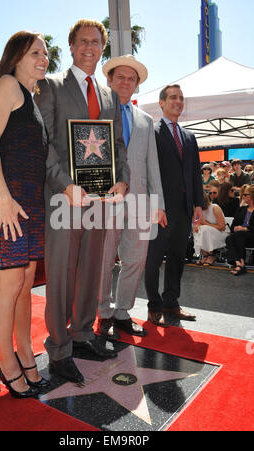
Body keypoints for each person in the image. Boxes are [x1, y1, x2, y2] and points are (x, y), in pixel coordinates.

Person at [35, 19, 130, 384]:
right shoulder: (52, 87)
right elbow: (42, 142)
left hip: (100, 200)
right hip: (64, 200)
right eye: (83, 42)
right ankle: (58, 349)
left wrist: (121, 179)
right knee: (60, 274)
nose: (90, 47)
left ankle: (82, 334)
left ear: (102, 48)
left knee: (92, 269)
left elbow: (118, 145)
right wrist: (64, 185)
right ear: (72, 47)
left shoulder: (109, 95)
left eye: (96, 42)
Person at [0, 31, 51, 398]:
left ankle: (25, 355)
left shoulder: (31, 97)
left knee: (25, 285)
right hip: (7, 203)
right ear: (17, 56)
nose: (44, 57)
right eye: (36, 52)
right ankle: (6, 365)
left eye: (45, 52)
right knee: (8, 287)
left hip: (29, 204)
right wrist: (4, 200)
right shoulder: (7, 86)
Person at [97, 55, 166, 338]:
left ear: (136, 85)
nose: (126, 82)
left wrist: (158, 204)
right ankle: (102, 312)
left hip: (140, 202)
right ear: (110, 80)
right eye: (120, 77)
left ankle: (123, 311)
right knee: (102, 260)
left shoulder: (146, 120)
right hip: (105, 199)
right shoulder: (96, 113)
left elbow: (153, 165)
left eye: (131, 78)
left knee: (136, 259)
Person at [144, 84, 204, 325]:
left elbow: (194, 173)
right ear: (161, 102)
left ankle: (171, 303)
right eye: (172, 97)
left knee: (178, 257)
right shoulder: (151, 132)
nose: (178, 101)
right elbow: (148, 171)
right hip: (159, 209)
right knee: (154, 258)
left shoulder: (189, 137)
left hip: (184, 209)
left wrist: (198, 203)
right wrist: (153, 204)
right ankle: (153, 304)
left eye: (181, 98)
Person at [225, 185, 254, 275]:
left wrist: (245, 228)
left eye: (245, 195)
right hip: (240, 237)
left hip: (252, 236)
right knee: (229, 238)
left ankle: (240, 264)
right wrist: (236, 228)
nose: (243, 197)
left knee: (238, 235)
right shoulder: (241, 209)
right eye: (243, 195)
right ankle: (239, 263)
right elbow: (233, 225)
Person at [193, 192, 228, 266]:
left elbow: (222, 227)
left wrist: (206, 224)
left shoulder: (214, 207)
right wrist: (197, 226)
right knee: (198, 229)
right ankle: (205, 255)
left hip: (221, 234)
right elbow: (197, 223)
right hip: (207, 233)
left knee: (205, 229)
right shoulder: (198, 210)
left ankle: (211, 255)